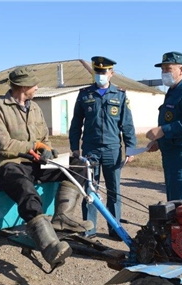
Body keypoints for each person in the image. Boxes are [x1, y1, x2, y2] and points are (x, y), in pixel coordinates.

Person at [0, 66, 93, 269]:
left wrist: (48, 150)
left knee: (78, 165)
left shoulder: (34, 107)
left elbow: (44, 138)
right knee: (26, 190)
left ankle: (63, 218)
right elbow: (2, 144)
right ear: (23, 85)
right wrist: (33, 146)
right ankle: (48, 245)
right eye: (34, 84)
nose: (37, 88)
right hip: (8, 163)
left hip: (35, 162)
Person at [69, 56, 137, 239]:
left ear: (111, 73)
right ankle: (89, 229)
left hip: (112, 150)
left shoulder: (120, 95)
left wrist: (130, 148)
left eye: (103, 72)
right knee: (90, 189)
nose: (100, 75)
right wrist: (74, 147)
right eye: (97, 72)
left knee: (114, 190)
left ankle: (115, 230)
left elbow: (127, 125)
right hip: (90, 149)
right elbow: (76, 123)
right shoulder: (84, 95)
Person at [145, 51, 182, 201]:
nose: (164, 73)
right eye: (162, 69)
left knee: (181, 202)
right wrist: (159, 141)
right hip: (171, 154)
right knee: (173, 202)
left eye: (168, 69)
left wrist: (163, 130)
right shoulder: (173, 92)